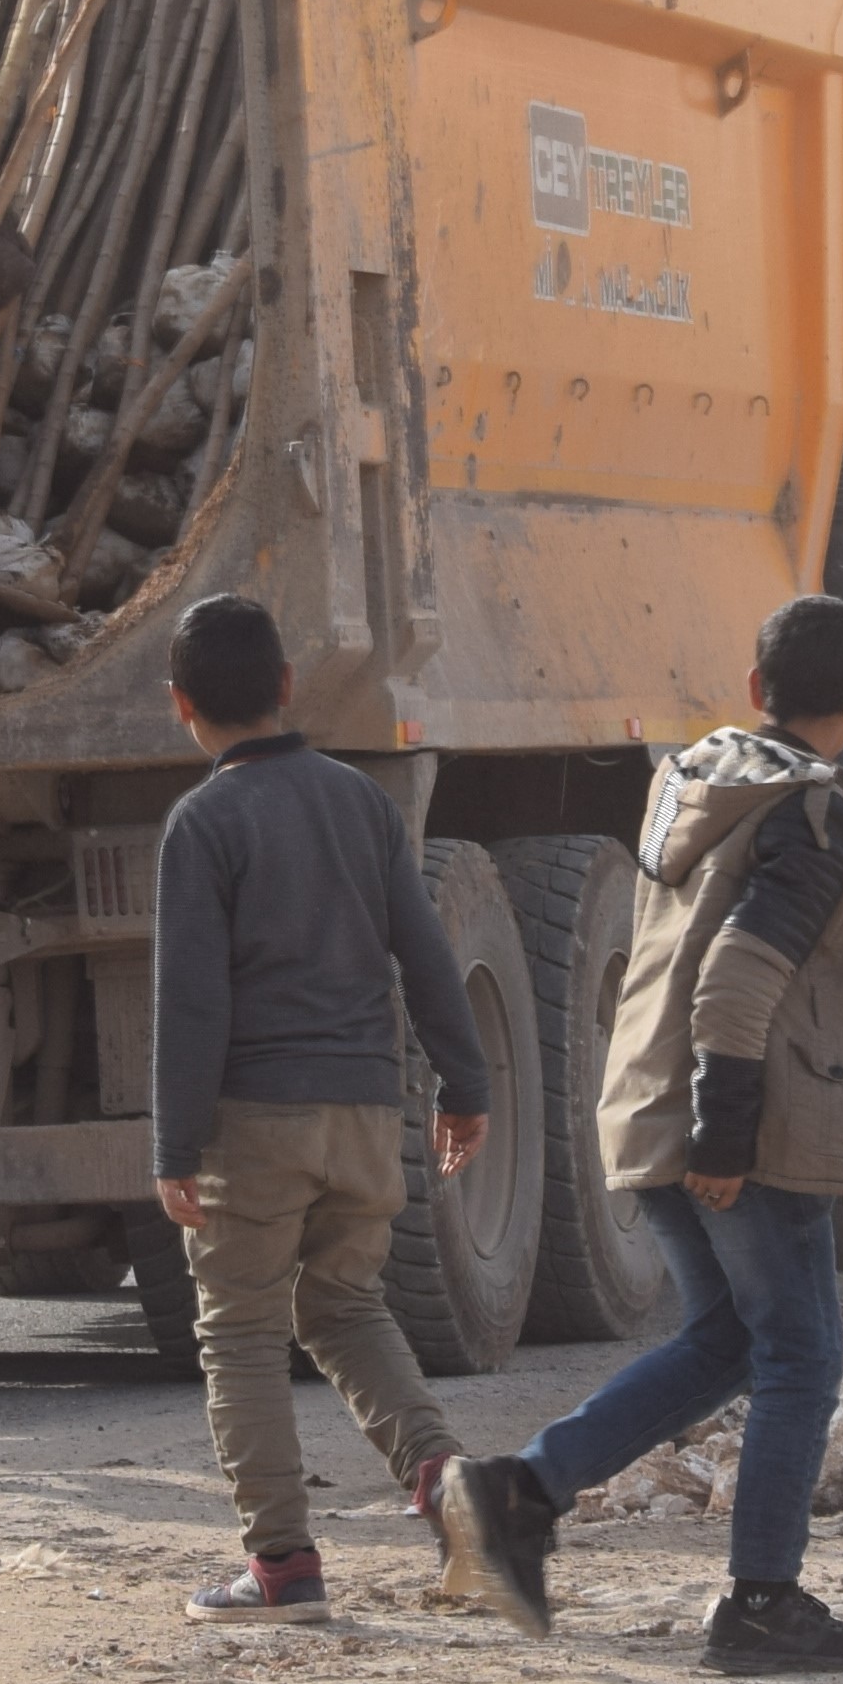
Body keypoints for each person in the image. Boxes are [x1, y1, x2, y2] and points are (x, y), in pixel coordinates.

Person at [437, 592, 843, 1677]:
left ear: (755, 687)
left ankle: (518, 1493)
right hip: (737, 1127)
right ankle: (762, 1603)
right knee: (800, 1356)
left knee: (730, 1343)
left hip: (649, 1104)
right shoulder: (807, 815)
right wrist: (726, 1137)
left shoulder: (697, 781)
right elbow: (738, 983)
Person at [144, 593, 534, 1629]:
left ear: (181, 704)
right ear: (287, 687)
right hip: (365, 1112)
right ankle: (449, 1484)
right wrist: (466, 1088)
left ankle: (281, 1566)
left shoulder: (202, 823)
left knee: (240, 1333)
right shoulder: (361, 802)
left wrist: (174, 1142)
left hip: (254, 1119)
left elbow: (191, 1000)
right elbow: (427, 953)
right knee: (346, 1307)